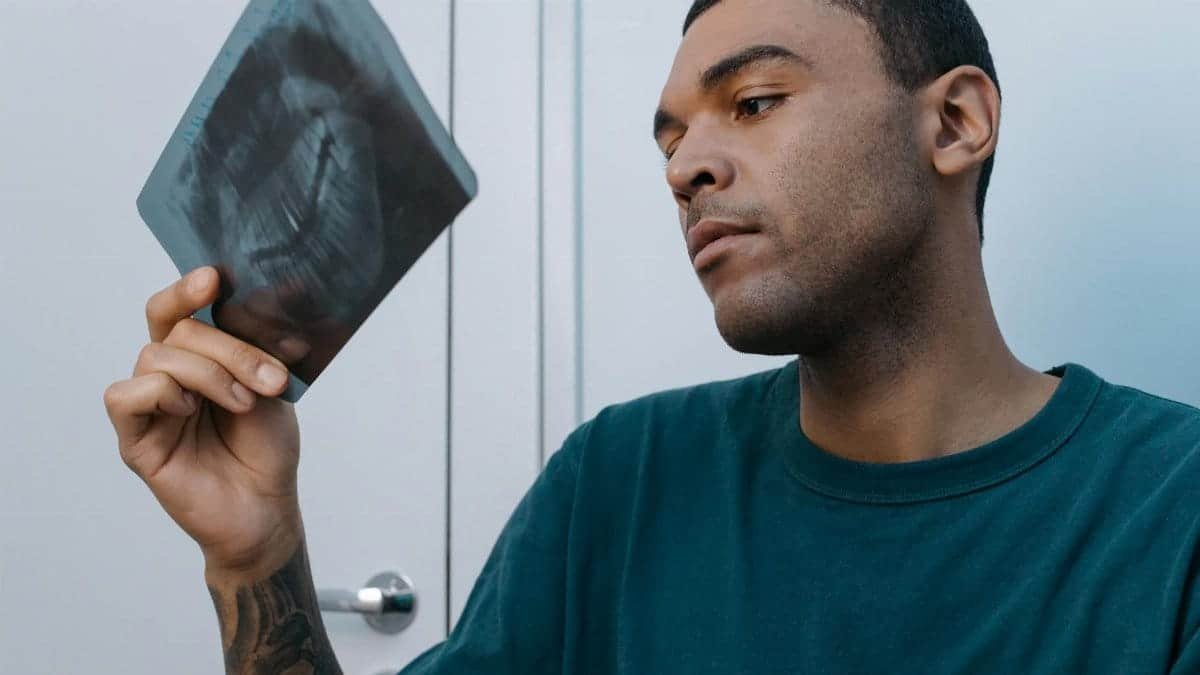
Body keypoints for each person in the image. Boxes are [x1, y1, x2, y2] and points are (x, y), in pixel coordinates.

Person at [102, 0, 1200, 673]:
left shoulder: (1173, 508)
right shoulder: (614, 485)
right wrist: (256, 555)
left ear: (955, 122)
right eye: (670, 138)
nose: (684, 168)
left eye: (756, 101)